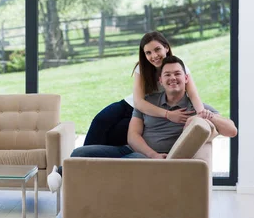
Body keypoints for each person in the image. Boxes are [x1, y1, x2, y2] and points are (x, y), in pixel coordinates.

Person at [39, 56, 237, 218]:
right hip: (133, 150)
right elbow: (133, 136)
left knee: (93, 166)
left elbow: (231, 130)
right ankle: (67, 216)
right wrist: (151, 153)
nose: (173, 78)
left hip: (144, 160)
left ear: (186, 78)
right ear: (160, 80)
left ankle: (64, 217)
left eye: (178, 73)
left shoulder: (196, 107)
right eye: (167, 74)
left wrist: (208, 116)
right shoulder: (148, 102)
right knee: (79, 153)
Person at [83, 31, 211, 148]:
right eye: (148, 53)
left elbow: (193, 94)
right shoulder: (142, 68)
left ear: (166, 48)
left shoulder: (178, 67)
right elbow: (138, 102)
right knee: (100, 120)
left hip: (147, 112)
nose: (154, 56)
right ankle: (74, 165)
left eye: (157, 49)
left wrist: (201, 113)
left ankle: (89, 164)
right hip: (129, 105)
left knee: (117, 132)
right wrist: (168, 114)